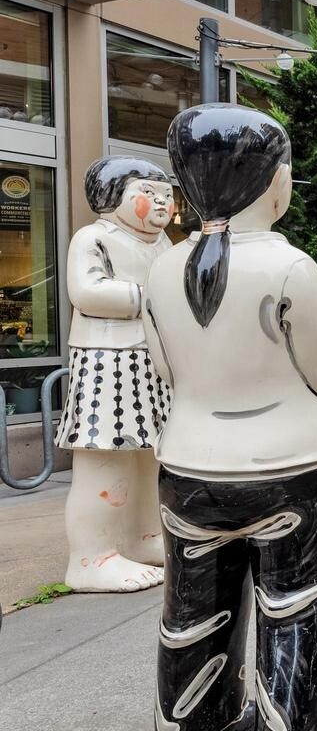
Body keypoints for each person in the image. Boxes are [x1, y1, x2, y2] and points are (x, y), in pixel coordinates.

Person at [143, 104, 317, 731]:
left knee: (192, 601)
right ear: (276, 183)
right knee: (297, 600)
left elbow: (165, 369)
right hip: (288, 463)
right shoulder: (291, 267)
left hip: (188, 464)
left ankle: (194, 730)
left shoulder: (161, 270)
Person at [58, 156, 174, 592]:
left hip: (151, 361)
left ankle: (144, 537)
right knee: (106, 461)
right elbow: (86, 292)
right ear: (112, 198)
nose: (162, 204)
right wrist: (151, 296)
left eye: (166, 196)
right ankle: (92, 556)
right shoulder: (94, 238)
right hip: (107, 362)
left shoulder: (161, 243)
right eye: (149, 194)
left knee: (150, 459)